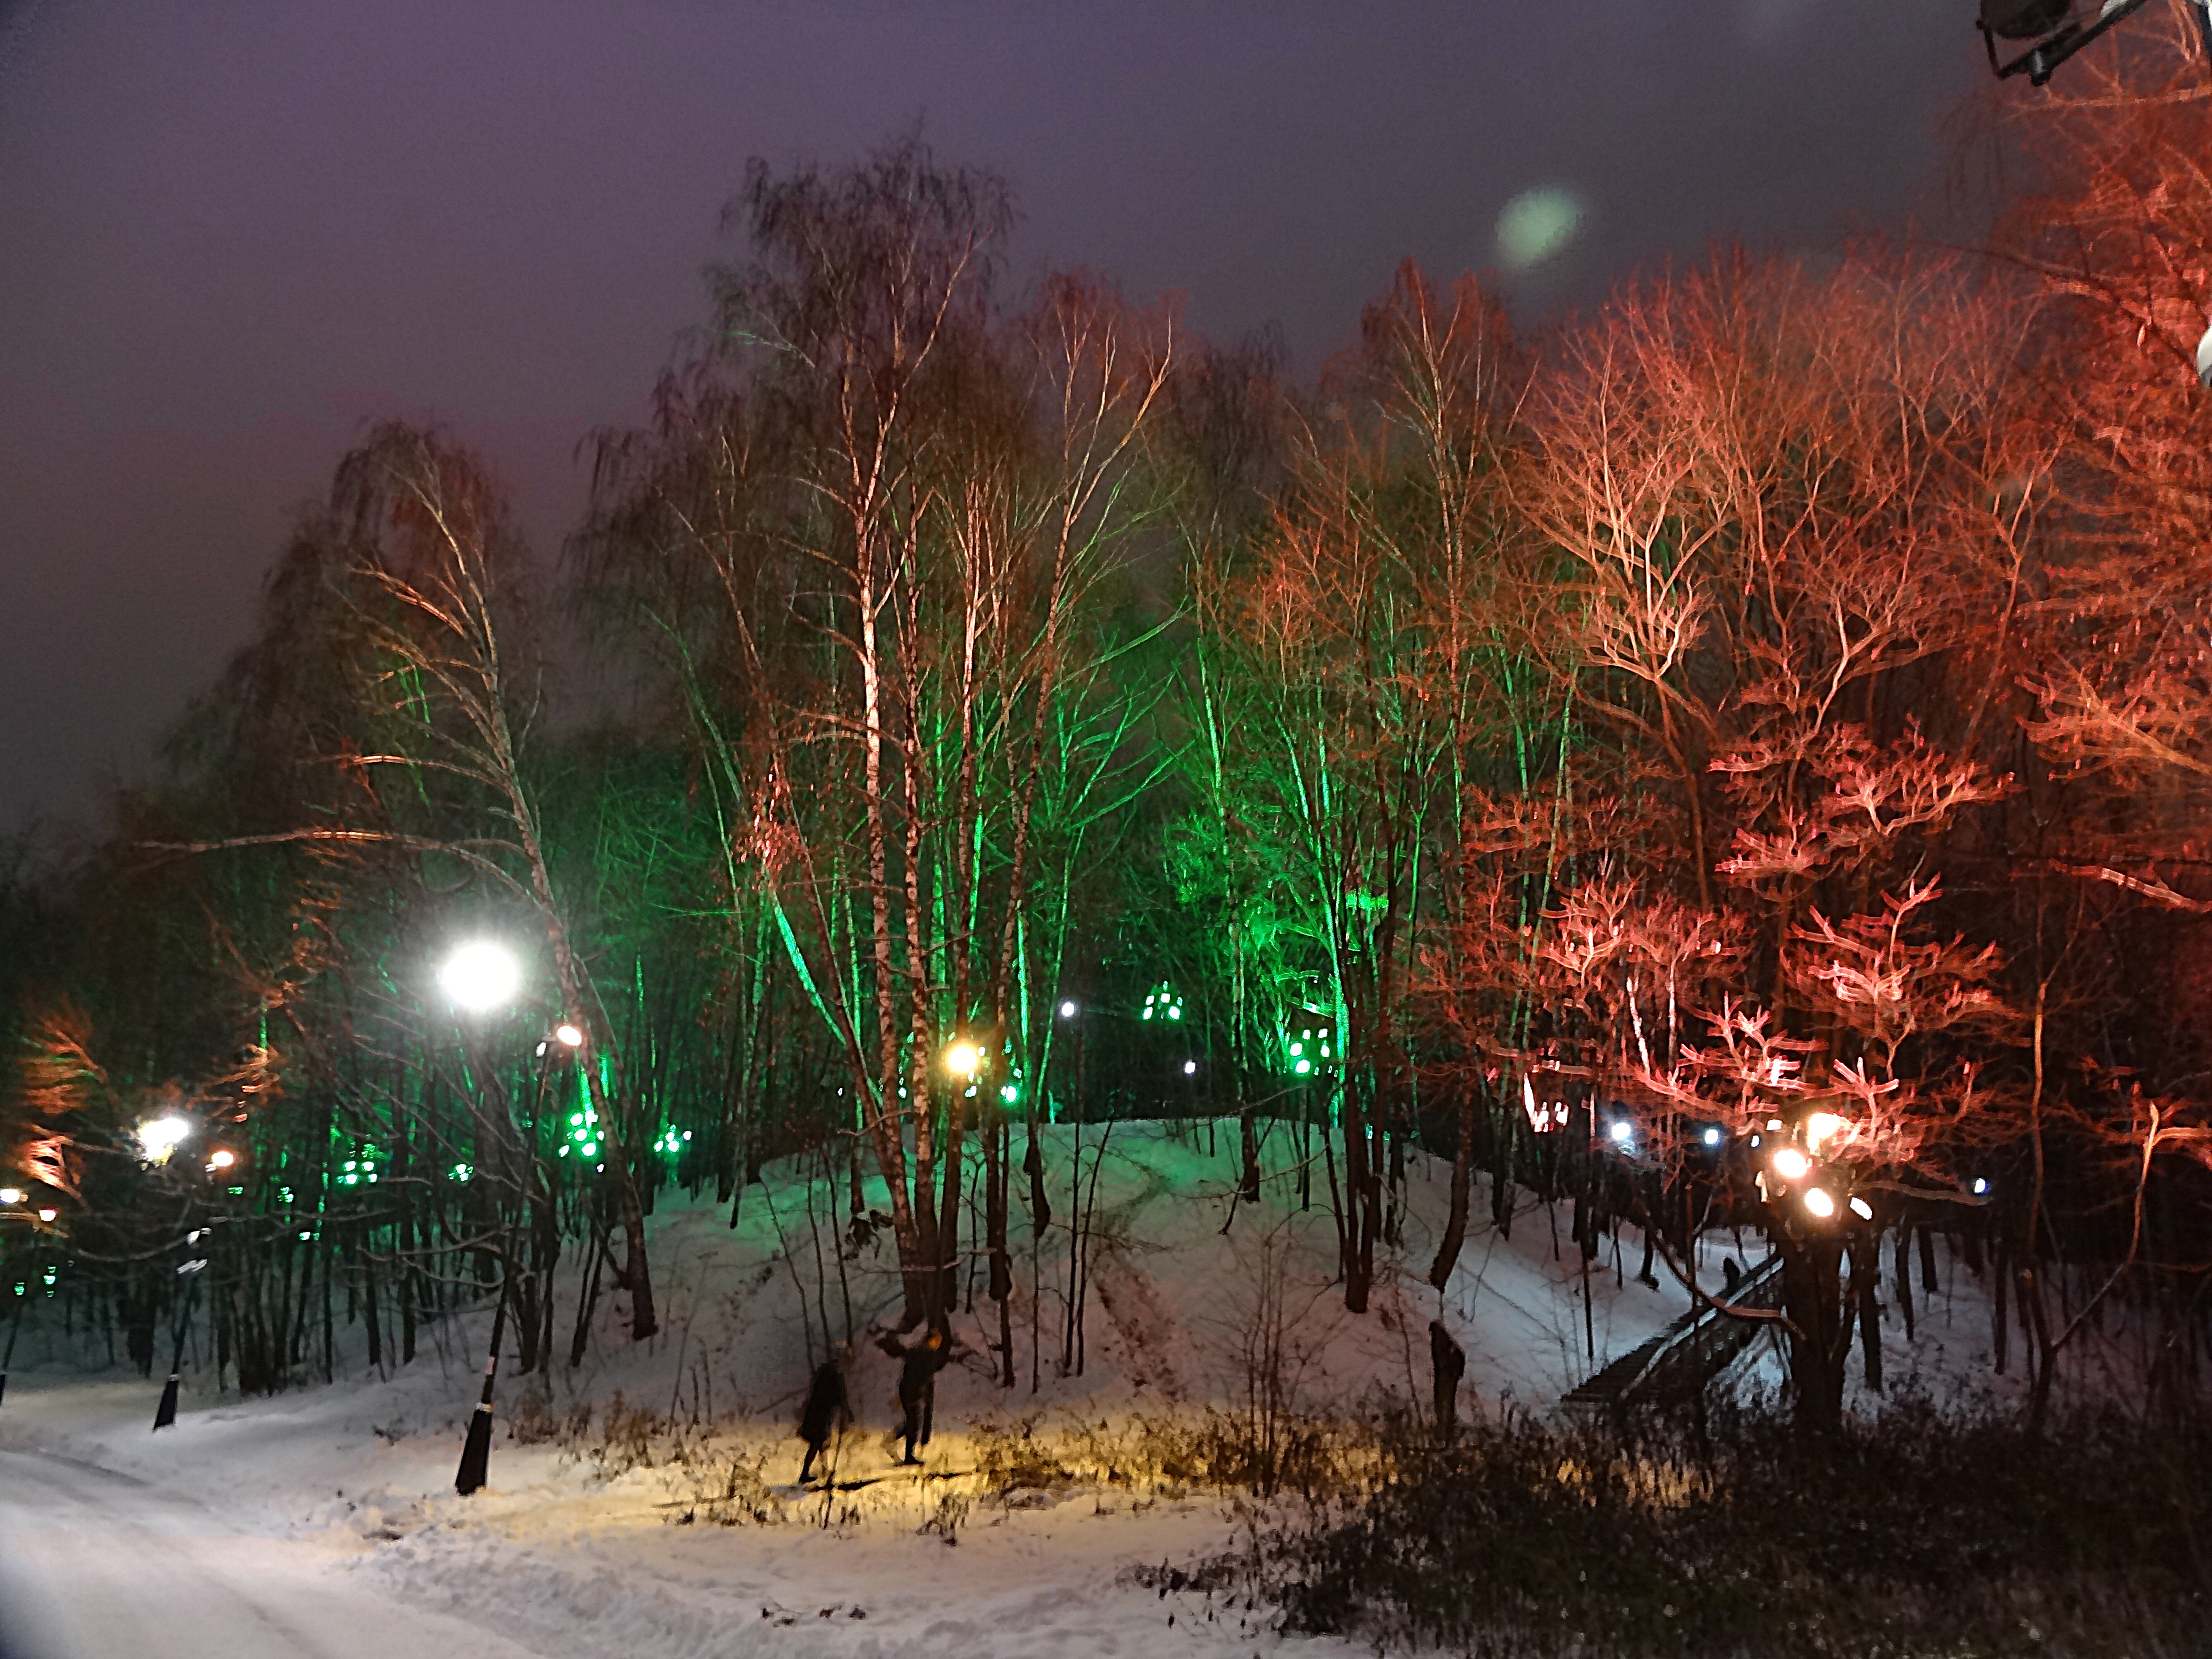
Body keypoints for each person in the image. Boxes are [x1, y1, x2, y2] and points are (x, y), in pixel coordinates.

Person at [881, 1326, 949, 1465]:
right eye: (938, 1341)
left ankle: (892, 1441)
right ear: (932, 1341)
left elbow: (907, 1372)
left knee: (912, 1421)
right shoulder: (927, 1355)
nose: (939, 1344)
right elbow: (924, 1377)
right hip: (914, 1392)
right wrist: (922, 1393)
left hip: (906, 1390)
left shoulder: (916, 1351)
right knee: (914, 1423)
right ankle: (906, 1454)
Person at [796, 1346, 852, 1485]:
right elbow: (834, 1396)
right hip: (819, 1414)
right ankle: (806, 1474)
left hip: (821, 1413)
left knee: (820, 1443)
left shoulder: (830, 1373)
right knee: (817, 1443)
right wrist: (844, 1409)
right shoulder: (831, 1375)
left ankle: (822, 1469)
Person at [1429, 1319, 1466, 1439]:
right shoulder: (1447, 1341)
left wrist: (1451, 1373)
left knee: (1442, 1399)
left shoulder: (1439, 1341)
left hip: (1445, 1377)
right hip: (1448, 1376)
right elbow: (1460, 1356)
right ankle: (1449, 1423)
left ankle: (1445, 1425)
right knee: (1448, 1400)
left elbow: (1441, 1359)